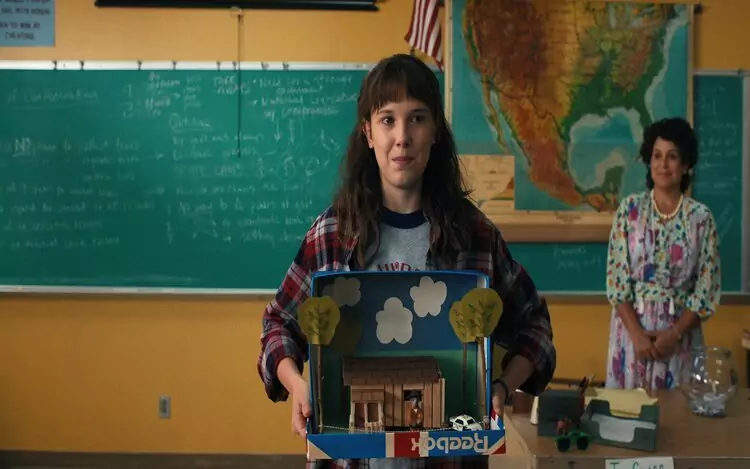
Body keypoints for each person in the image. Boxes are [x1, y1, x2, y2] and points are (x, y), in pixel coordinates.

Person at [257, 53, 556, 468]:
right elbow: (278, 323)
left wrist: (503, 387)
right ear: (368, 132)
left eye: (417, 118)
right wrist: (297, 384)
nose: (402, 137)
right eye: (387, 120)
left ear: (435, 132)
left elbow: (535, 324)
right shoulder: (331, 233)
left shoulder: (475, 234)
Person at [605, 117, 721, 390]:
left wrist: (675, 334)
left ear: (685, 164)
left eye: (672, 156)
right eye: (657, 156)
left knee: (679, 414)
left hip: (680, 341)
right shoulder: (629, 211)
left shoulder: (701, 218)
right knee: (628, 413)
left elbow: (706, 288)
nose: (663, 165)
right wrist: (637, 335)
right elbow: (617, 282)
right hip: (632, 338)